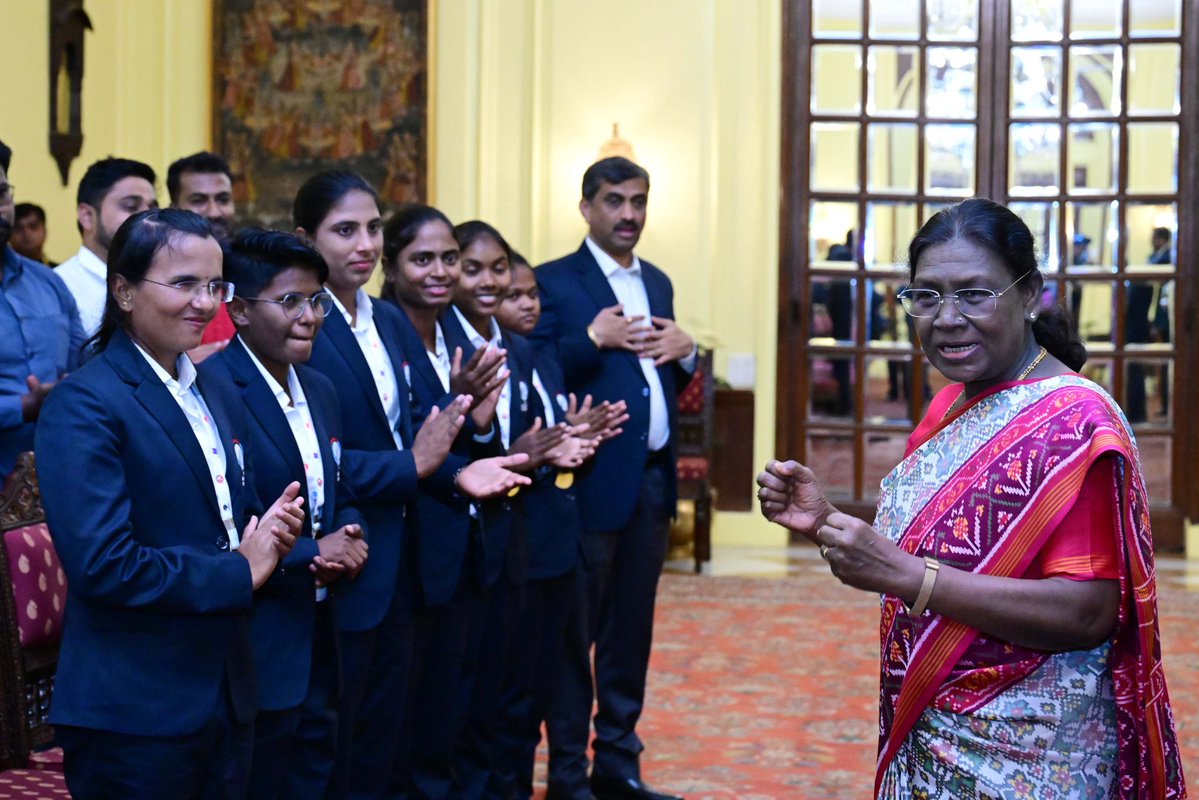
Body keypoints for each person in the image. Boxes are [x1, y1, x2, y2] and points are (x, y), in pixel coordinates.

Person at [757, 198, 1187, 799]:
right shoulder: (949, 405)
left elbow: (1087, 612)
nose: (947, 317)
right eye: (926, 296)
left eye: (975, 294)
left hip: (1032, 751)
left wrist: (908, 576)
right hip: (933, 724)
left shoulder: (1074, 422)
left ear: (1030, 292)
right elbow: (943, 549)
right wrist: (826, 521)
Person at [34, 208, 306, 799]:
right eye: (183, 284)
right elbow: (105, 565)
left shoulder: (213, 384)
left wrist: (275, 531)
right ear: (124, 290)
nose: (204, 303)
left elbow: (233, 518)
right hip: (136, 706)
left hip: (225, 688)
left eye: (215, 286)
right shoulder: (86, 403)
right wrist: (238, 569)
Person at [294, 171, 530, 799]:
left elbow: (421, 439)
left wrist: (463, 465)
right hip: (344, 553)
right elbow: (321, 459)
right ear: (305, 239)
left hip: (409, 557)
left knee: (390, 731)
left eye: (372, 227)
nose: (364, 243)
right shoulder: (302, 327)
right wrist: (422, 466)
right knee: (338, 736)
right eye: (345, 230)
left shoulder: (389, 322)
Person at [531, 156, 695, 800]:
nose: (629, 214)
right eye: (614, 201)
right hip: (586, 484)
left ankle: (619, 765)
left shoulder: (656, 280)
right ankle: (569, 771)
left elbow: (662, 372)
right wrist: (590, 340)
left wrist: (688, 355)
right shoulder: (553, 282)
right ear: (586, 208)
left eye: (638, 201)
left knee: (631, 632)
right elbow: (537, 372)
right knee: (575, 635)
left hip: (651, 480)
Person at [200, 227, 369, 798]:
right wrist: (311, 553)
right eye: (290, 301)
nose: (310, 317)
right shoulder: (217, 388)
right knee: (264, 775)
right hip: (261, 632)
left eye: (317, 301)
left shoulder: (319, 387)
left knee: (317, 765)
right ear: (240, 310)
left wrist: (352, 534)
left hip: (323, 620)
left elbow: (335, 485)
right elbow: (234, 519)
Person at [445, 221, 596, 800]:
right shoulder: (445, 345)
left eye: (499, 268)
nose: (488, 280)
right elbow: (455, 450)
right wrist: (524, 455)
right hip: (478, 544)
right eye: (473, 267)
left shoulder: (526, 349)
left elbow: (537, 432)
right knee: (480, 699)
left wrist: (563, 444)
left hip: (534, 541)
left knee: (525, 695)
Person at [496, 253, 628, 800]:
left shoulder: (541, 358)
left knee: (560, 668)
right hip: (512, 542)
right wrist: (536, 452)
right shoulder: (494, 359)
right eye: (514, 294)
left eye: (533, 294)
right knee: (510, 687)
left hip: (554, 537)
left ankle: (563, 776)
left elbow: (547, 444)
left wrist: (571, 440)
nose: (528, 303)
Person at [0, 138, 86, 476]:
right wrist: (23, 406)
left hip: (60, 476)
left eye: (3, 193)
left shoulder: (48, 282)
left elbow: (84, 363)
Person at [57, 157, 158, 337]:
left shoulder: (159, 279)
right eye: (131, 206)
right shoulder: (60, 286)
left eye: (152, 208)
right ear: (87, 215)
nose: (147, 217)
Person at [168, 151, 239, 349]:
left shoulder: (249, 269)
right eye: (199, 200)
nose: (214, 212)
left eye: (223, 199)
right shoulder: (156, 276)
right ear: (174, 208)